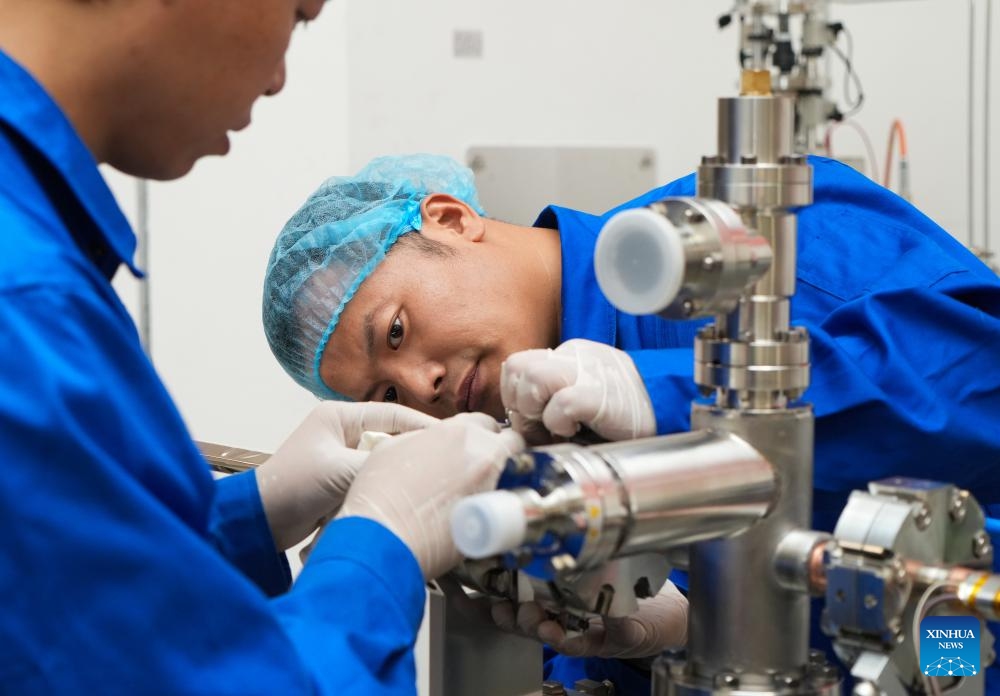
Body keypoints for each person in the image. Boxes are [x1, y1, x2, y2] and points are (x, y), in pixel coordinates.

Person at [263, 152, 1000, 691]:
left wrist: (661, 399)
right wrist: (669, 636)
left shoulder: (734, 242)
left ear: (451, 219)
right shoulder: (532, 448)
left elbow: (976, 374)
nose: (421, 386)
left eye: (396, 332)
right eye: (390, 396)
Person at [0, 2, 529, 693]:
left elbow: (75, 590)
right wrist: (380, 546)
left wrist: (253, 510)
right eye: (299, 11)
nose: (279, 78)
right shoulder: (26, 305)